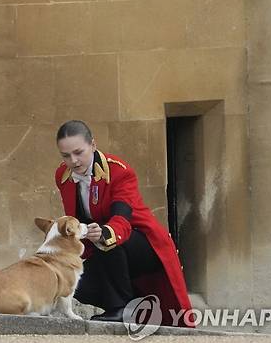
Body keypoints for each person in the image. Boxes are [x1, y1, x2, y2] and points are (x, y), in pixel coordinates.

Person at [54, 120, 193, 324]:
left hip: (143, 243)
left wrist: (104, 233)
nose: (73, 161)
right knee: (77, 284)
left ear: (93, 145)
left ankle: (120, 309)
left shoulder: (119, 171)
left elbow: (122, 219)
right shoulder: (62, 176)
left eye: (79, 152)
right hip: (102, 247)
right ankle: (134, 303)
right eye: (66, 155)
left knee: (110, 244)